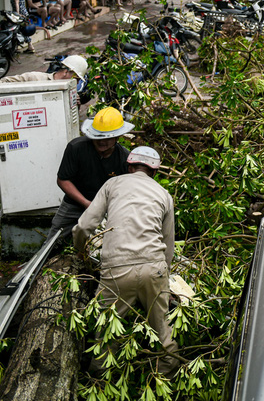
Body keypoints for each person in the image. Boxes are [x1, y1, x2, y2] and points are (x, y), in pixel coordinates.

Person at [73, 146, 177, 373]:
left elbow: (84, 226)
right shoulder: (164, 194)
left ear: (129, 167)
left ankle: (99, 384)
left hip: (116, 270)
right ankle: (167, 379)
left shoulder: (113, 184)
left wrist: (80, 252)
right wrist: (164, 283)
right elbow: (168, 245)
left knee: (107, 334)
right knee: (162, 330)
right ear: (154, 172)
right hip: (154, 266)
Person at [50, 107, 132, 236]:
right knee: (55, 238)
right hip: (74, 203)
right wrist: (86, 203)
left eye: (107, 138)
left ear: (117, 137)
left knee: (108, 240)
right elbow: (63, 180)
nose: (102, 142)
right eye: (98, 137)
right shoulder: (76, 148)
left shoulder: (124, 158)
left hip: (106, 208)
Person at [2, 54, 88, 85]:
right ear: (66, 72)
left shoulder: (70, 94)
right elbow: (3, 82)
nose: (77, 83)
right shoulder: (34, 78)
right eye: (76, 79)